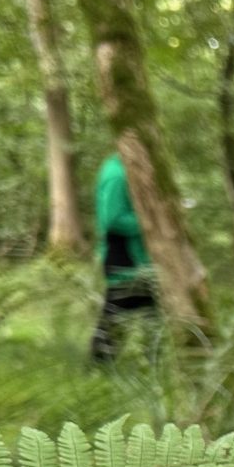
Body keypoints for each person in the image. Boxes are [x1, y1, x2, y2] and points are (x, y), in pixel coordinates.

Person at [90, 153, 155, 362]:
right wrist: (151, 222)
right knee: (117, 310)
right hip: (124, 257)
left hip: (138, 257)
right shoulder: (117, 173)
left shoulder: (129, 169)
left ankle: (154, 361)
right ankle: (99, 363)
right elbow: (113, 219)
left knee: (154, 310)